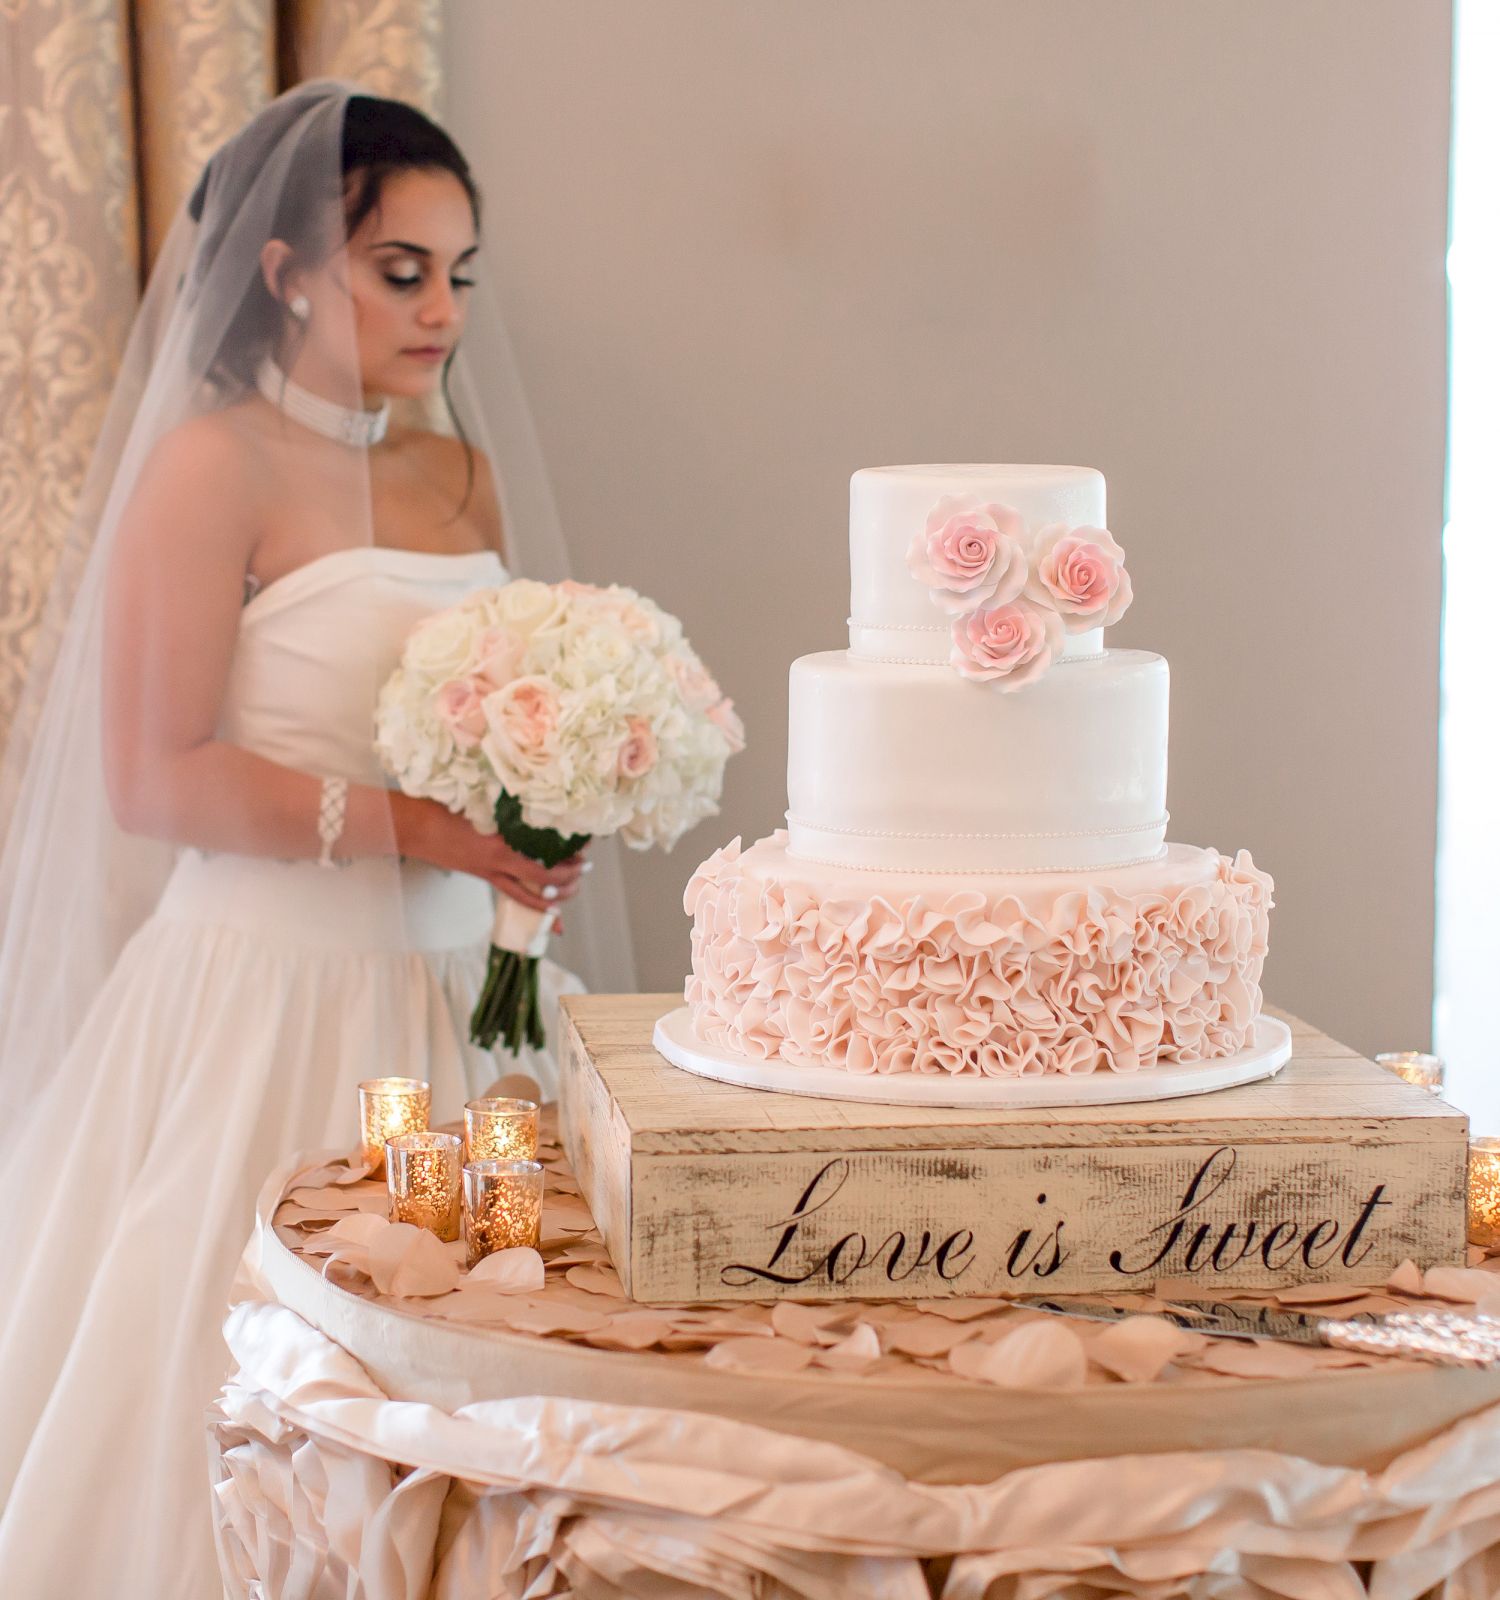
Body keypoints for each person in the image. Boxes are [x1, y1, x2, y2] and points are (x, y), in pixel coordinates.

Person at [0, 79, 632, 1596]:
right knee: (245, 1376)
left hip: (462, 1009)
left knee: (468, 1363)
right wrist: (420, 824)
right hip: (261, 997)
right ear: (284, 272)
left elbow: (503, 719)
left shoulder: (459, 474)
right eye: (398, 271)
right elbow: (156, 778)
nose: (441, 313)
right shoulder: (210, 467)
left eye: (457, 276)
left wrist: (544, 810)